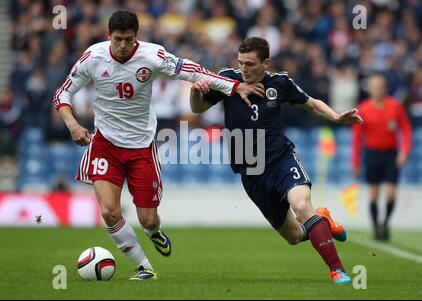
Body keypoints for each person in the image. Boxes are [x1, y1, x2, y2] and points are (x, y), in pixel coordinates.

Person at [53, 11, 263, 281]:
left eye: (128, 40)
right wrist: (71, 123)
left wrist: (235, 87)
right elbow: (63, 93)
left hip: (141, 146)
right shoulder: (93, 57)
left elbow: (193, 71)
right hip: (105, 144)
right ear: (108, 36)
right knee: (108, 211)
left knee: (148, 220)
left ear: (136, 37)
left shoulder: (153, 56)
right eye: (117, 39)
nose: (122, 45)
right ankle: (144, 266)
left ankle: (154, 233)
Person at [190, 37, 363, 284]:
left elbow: (312, 105)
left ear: (265, 62)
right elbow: (197, 109)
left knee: (302, 206)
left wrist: (336, 117)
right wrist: (196, 92)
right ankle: (322, 219)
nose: (244, 69)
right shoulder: (228, 79)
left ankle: (337, 269)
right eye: (241, 63)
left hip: (281, 159)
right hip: (250, 171)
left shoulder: (280, 83)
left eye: (250, 64)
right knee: (294, 236)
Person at [352, 74, 412, 241]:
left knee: (391, 193)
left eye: (380, 86)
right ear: (369, 89)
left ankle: (385, 222)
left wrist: (404, 151)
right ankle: (376, 228)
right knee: (374, 193)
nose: (377, 89)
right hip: (372, 154)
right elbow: (357, 139)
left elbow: (406, 130)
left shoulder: (395, 106)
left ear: (385, 88)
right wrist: (355, 163)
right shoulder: (363, 109)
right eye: (374, 86)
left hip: (391, 154)